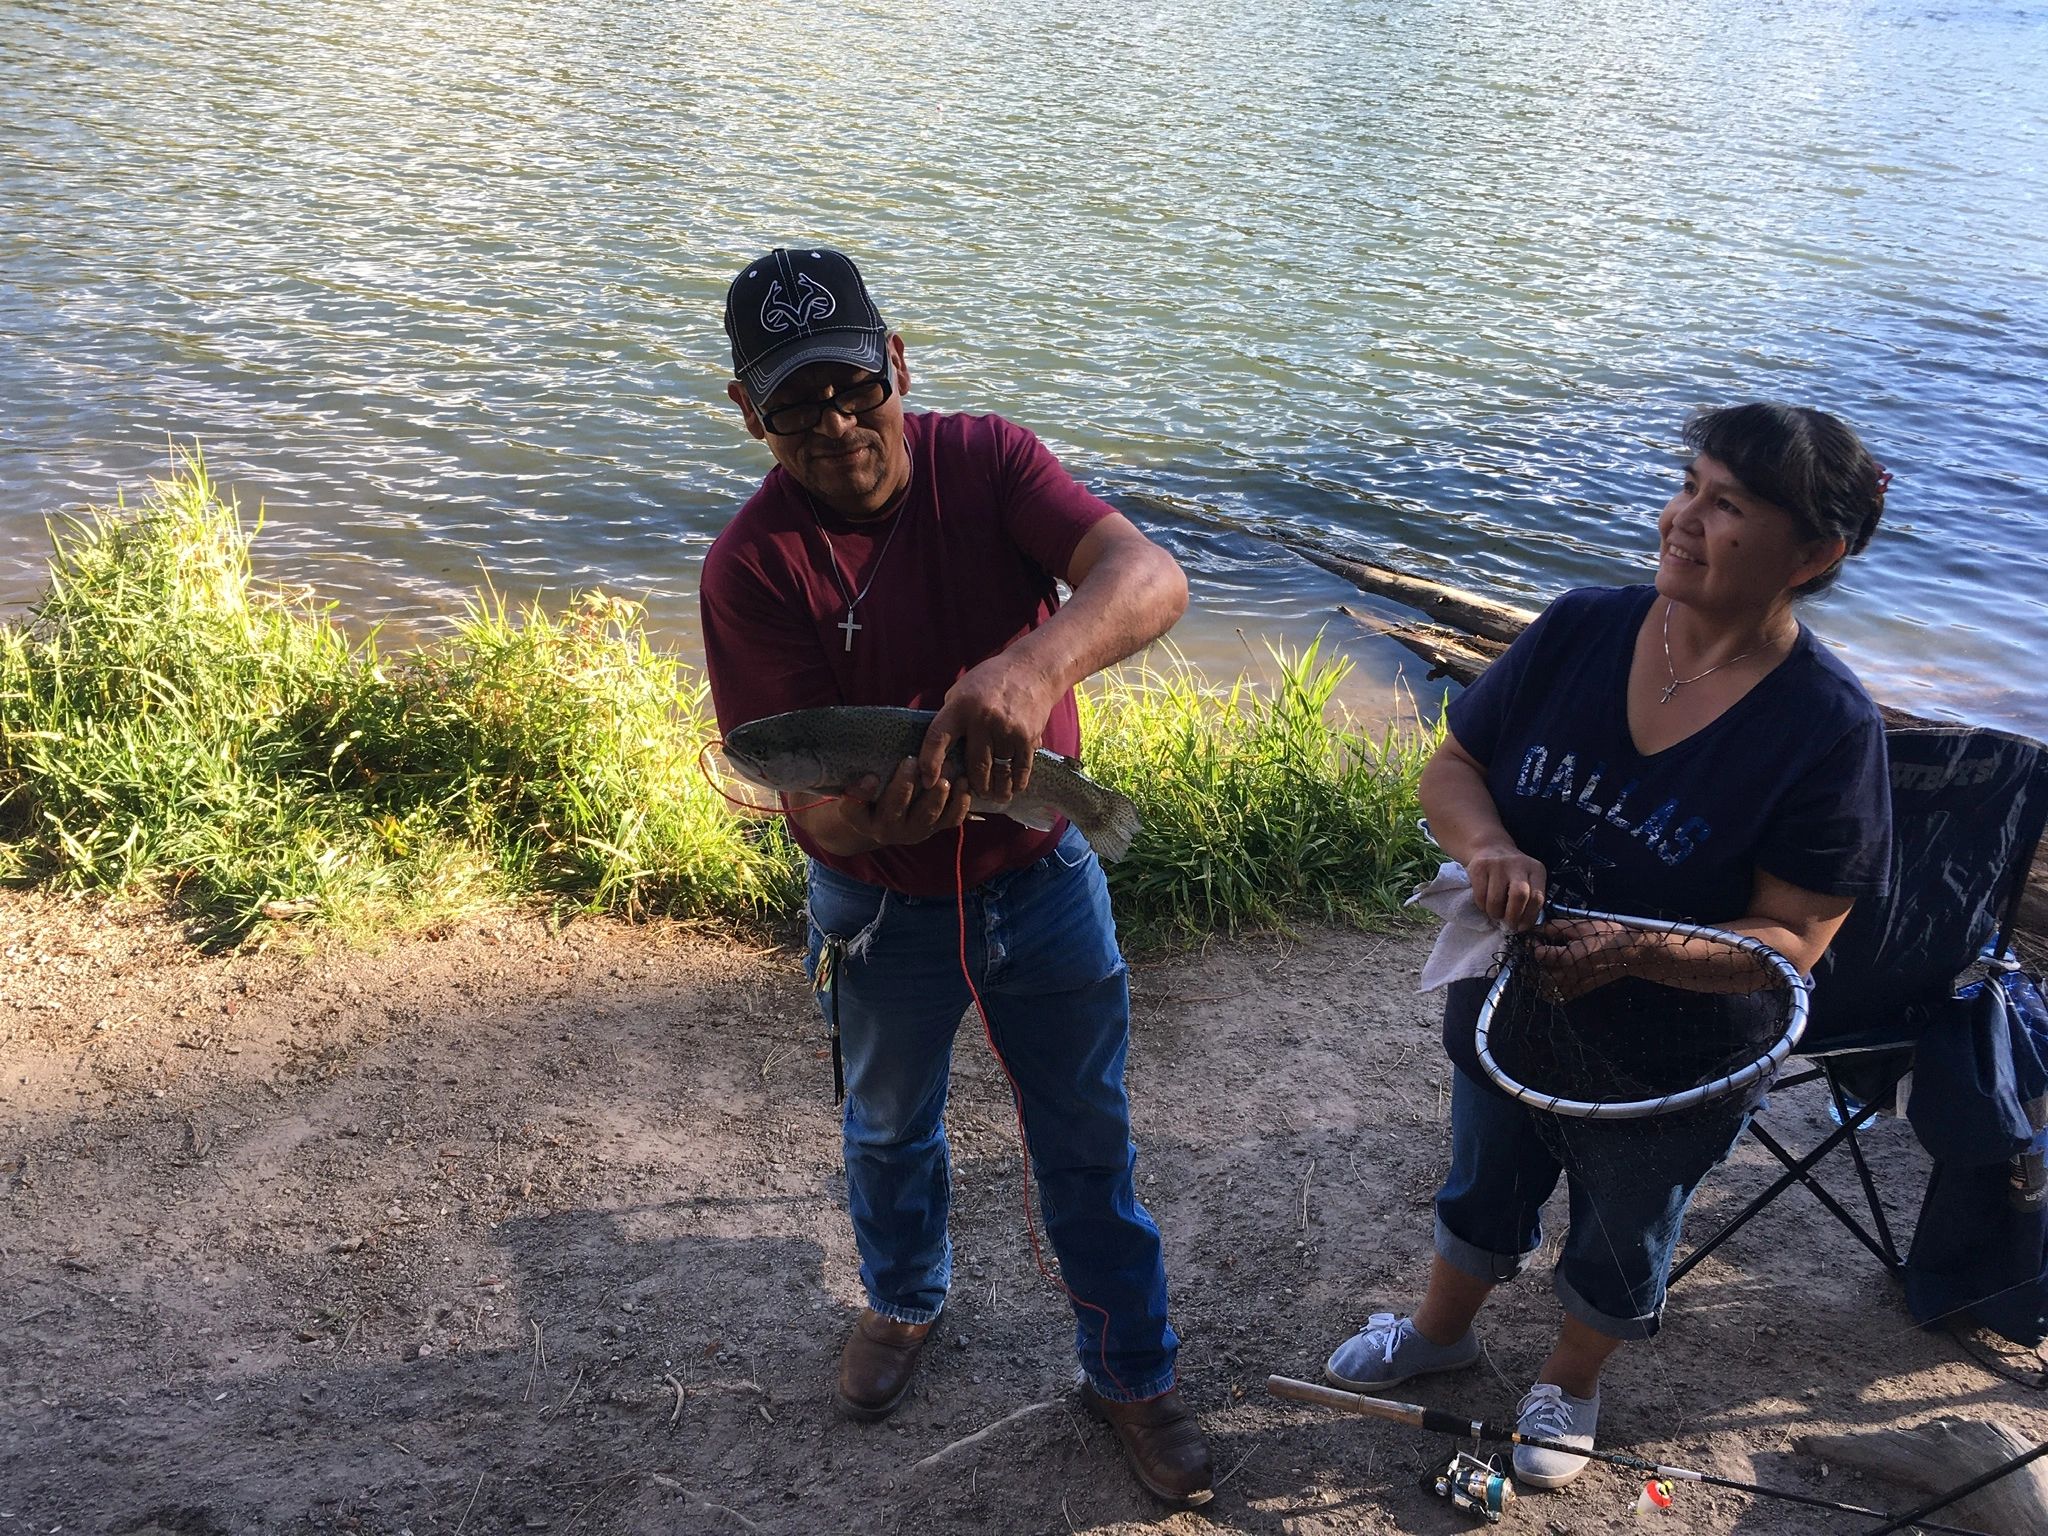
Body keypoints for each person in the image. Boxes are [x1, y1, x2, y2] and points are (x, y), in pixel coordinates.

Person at [698, 247, 1212, 1506]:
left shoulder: (987, 461)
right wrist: (874, 825)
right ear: (748, 415)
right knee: (882, 1130)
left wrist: (1029, 675)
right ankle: (902, 1302)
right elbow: (801, 794)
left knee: (1085, 1138)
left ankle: (1130, 1373)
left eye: (851, 385)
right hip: (880, 910)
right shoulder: (750, 568)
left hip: (1044, 873)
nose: (833, 424)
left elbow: (1147, 579)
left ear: (896, 368)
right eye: (793, 403)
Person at [1323, 403, 1894, 1488]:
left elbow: (1794, 938)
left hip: (1673, 1064)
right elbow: (1452, 768)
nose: (1681, 517)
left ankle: (1571, 1382)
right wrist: (1488, 843)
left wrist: (1638, 952)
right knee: (1481, 1177)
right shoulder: (1581, 626)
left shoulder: (1825, 727)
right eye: (1687, 484)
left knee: (1625, 1230)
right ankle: (1440, 1336)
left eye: (1724, 504)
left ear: (1812, 554)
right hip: (1513, 1010)